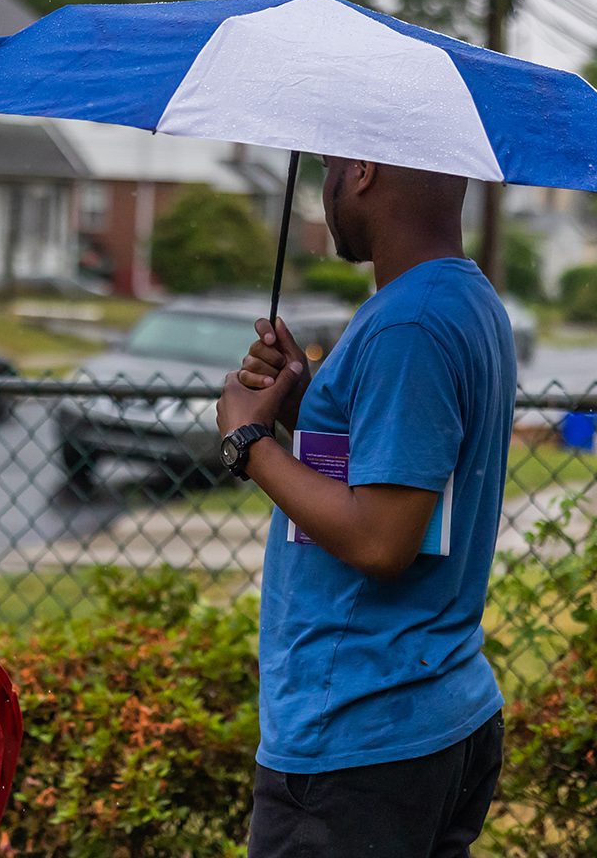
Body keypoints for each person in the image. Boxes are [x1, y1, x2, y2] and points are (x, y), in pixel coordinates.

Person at [215, 156, 515, 857]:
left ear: (363, 170)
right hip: (432, 713)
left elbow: (382, 539)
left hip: (357, 736)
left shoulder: (406, 325)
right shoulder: (463, 301)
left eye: (327, 168)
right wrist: (306, 404)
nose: (323, 188)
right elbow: (401, 472)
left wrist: (249, 442)